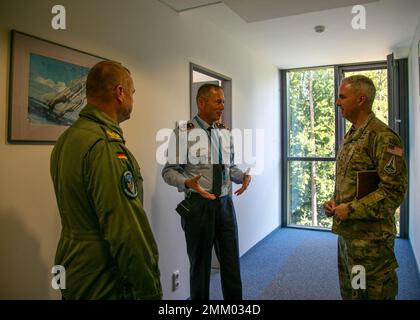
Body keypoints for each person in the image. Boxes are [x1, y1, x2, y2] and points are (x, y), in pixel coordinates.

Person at [50, 61, 162, 299]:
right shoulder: (105, 146)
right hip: (103, 276)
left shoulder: (68, 138)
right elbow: (126, 231)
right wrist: (149, 291)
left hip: (74, 265)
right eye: (132, 92)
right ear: (120, 93)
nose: (133, 98)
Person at [162, 84, 251, 300]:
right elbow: (169, 172)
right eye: (218, 101)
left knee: (231, 264)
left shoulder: (225, 132)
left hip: (225, 205)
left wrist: (243, 177)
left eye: (223, 101)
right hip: (199, 207)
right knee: (200, 267)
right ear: (201, 103)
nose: (222, 106)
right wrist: (186, 182)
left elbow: (230, 168)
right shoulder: (184, 133)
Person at [323, 75, 408, 300]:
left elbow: (393, 191)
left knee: (372, 294)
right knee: (354, 293)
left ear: (361, 99)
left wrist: (350, 209)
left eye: (342, 97)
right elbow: (353, 181)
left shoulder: (383, 137)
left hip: (371, 243)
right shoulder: (352, 134)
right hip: (349, 237)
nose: (337, 102)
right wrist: (336, 204)